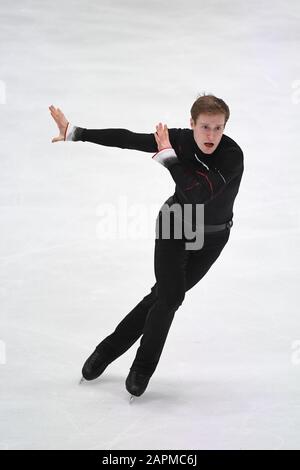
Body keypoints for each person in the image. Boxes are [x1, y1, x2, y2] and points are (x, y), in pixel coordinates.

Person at [49, 94, 244, 398]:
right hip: (175, 223)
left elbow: (198, 194)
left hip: (212, 238)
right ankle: (142, 368)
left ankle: (107, 350)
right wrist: (77, 133)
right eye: (205, 127)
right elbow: (129, 139)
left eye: (218, 128)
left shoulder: (232, 155)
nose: (211, 135)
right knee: (171, 296)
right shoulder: (178, 139)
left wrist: (168, 157)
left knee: (162, 297)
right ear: (191, 123)